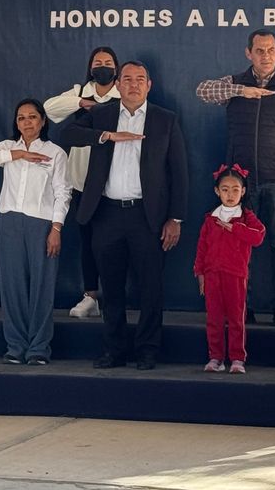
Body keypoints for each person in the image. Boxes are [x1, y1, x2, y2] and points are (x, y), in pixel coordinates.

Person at [61, 61, 188, 370]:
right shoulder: (102, 114)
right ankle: (114, 350)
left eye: (139, 80)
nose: (133, 84)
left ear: (149, 85)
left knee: (150, 289)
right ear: (117, 84)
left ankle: (147, 351)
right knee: (112, 288)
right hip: (107, 214)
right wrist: (104, 136)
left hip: (148, 217)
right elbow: (68, 133)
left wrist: (176, 218)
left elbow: (180, 173)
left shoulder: (164, 119)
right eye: (127, 79)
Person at [195, 28, 275, 326]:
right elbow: (202, 91)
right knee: (237, 247)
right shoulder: (235, 82)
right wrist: (240, 91)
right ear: (249, 53)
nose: (266, 55)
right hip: (240, 184)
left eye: (271, 49)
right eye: (259, 50)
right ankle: (241, 307)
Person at [0, 99, 71, 365]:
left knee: (42, 285)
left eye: (32, 117)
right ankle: (16, 345)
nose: (27, 122)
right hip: (10, 223)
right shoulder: (8, 148)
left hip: (42, 224)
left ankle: (39, 347)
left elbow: (63, 193)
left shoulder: (55, 153)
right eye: (21, 118)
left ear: (43, 121)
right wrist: (18, 155)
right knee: (13, 285)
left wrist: (56, 228)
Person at [44, 46, 121, 318]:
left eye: (108, 62)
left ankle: (114, 297)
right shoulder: (79, 92)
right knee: (87, 240)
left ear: (116, 68)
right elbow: (49, 108)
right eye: (98, 62)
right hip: (80, 181)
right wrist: (83, 103)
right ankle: (90, 296)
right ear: (91, 67)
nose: (103, 66)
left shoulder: (123, 94)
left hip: (113, 182)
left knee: (112, 243)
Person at [194, 164, 266, 375]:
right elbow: (202, 248)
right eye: (225, 189)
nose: (230, 194)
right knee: (213, 318)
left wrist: (236, 229)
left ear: (243, 191)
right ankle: (216, 357)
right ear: (217, 191)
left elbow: (258, 236)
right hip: (212, 275)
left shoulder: (246, 217)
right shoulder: (211, 219)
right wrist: (200, 272)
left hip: (236, 276)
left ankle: (237, 358)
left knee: (236, 318)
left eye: (235, 189)